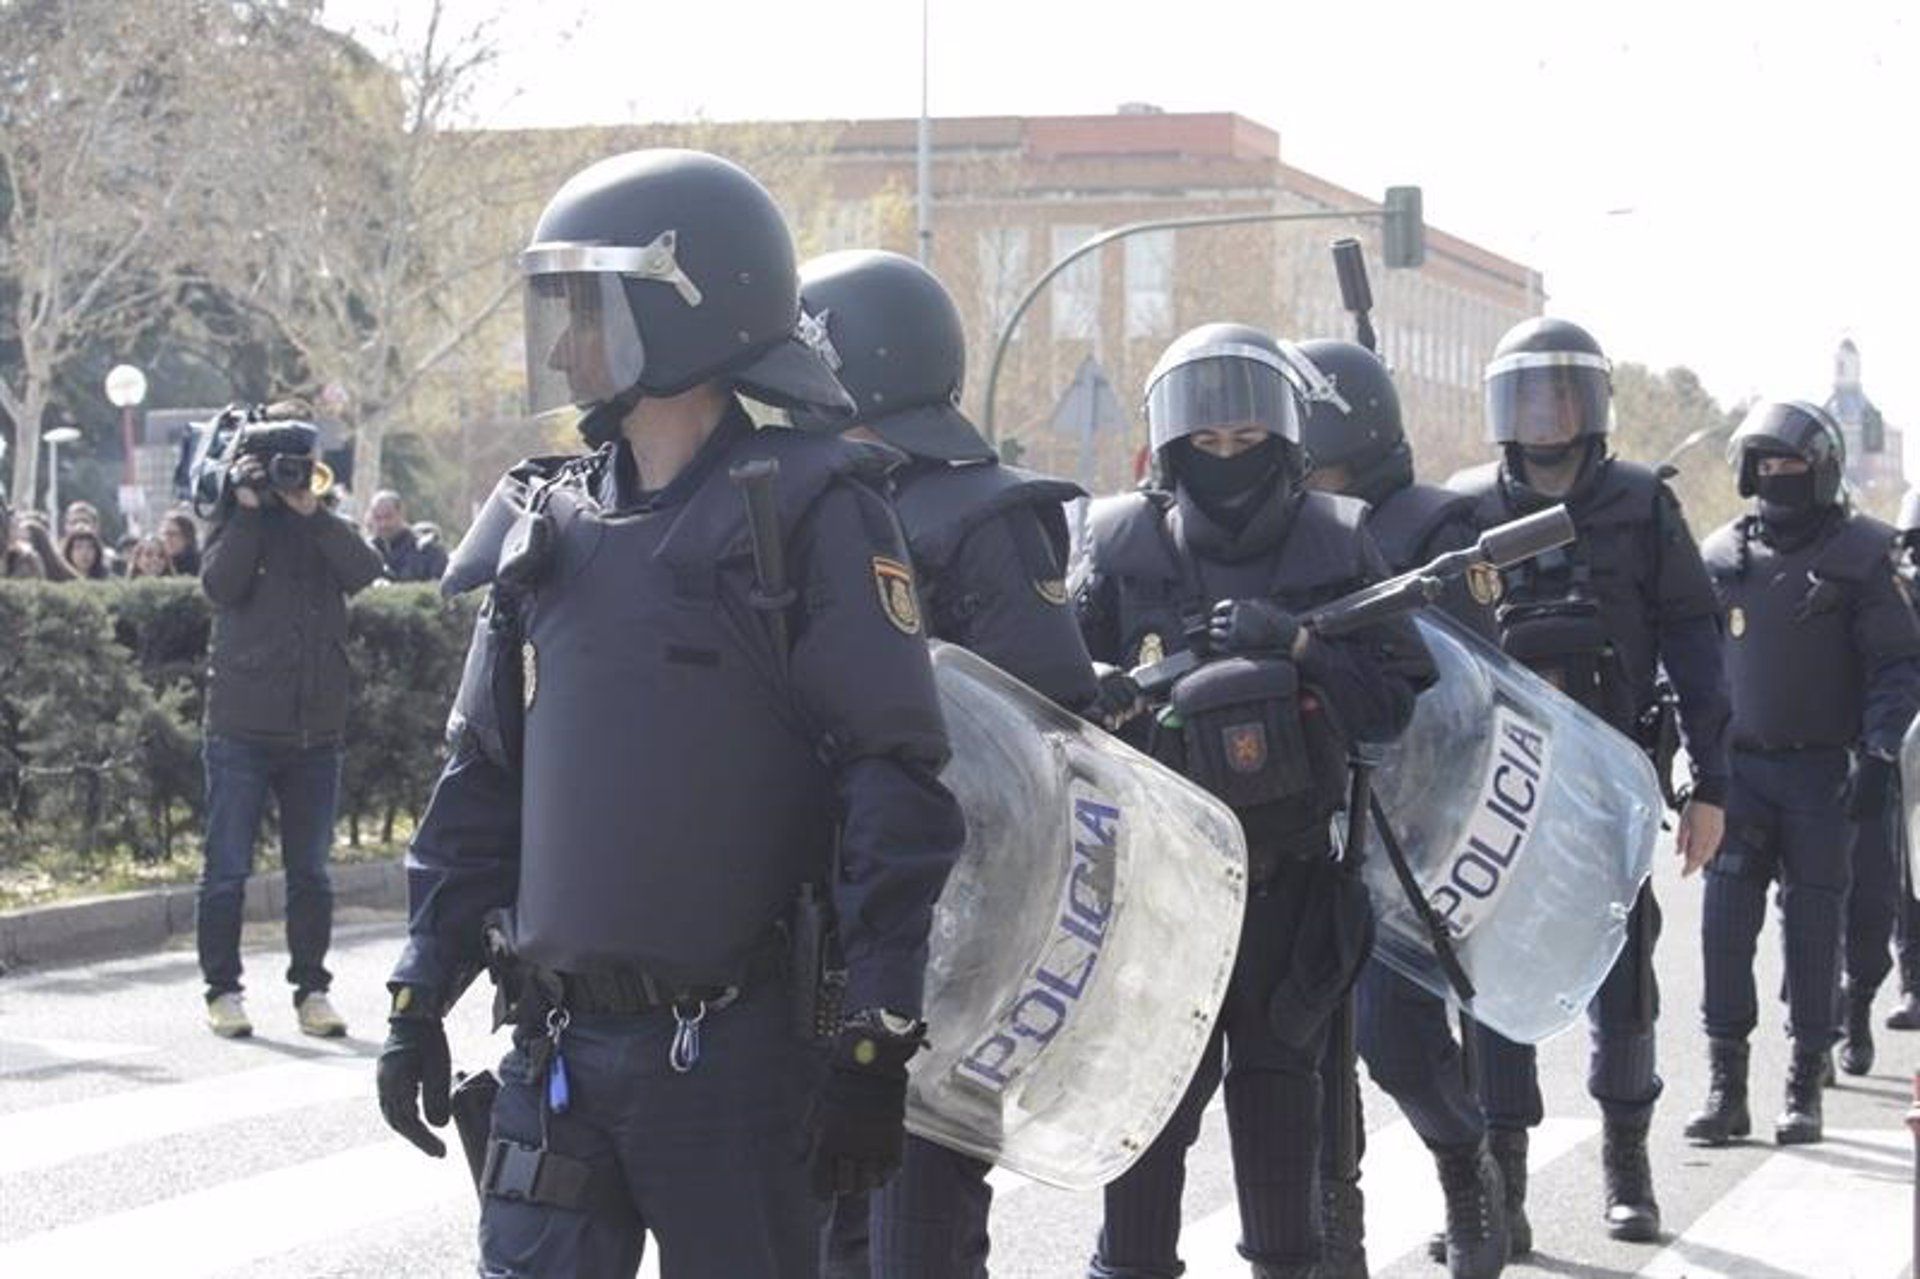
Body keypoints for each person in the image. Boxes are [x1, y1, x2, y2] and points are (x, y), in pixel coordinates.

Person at [375, 149, 966, 1279]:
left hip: (732, 1066)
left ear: (683, 306)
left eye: (585, 307)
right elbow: (480, 781)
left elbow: (894, 783)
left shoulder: (813, 512)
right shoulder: (543, 523)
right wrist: (420, 986)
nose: (560, 343)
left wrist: (874, 1034)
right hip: (553, 1050)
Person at [1071, 322, 1433, 1279]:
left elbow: (1398, 703)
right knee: (1146, 1126)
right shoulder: (1112, 542)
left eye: (1245, 441)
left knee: (1281, 1132)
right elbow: (1050, 701)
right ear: (1172, 447)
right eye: (1206, 442)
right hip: (1155, 897)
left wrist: (1305, 650)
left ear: (1283, 443)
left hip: (1289, 885)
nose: (1224, 460)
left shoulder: (1341, 540)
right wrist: (1105, 686)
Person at [797, 250, 1108, 1279]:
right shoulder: (814, 495)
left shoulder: (985, 510)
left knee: (918, 1214)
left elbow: (1041, 712)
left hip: (949, 919)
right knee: (827, 1207)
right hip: (827, 909)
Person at [1447, 316, 1728, 1244]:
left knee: (1621, 975)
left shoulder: (1644, 504)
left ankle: (1628, 1163)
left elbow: (1693, 641)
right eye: (1527, 395)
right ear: (1501, 408)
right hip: (1496, 794)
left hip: (1610, 792)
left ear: (1592, 403)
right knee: (1489, 979)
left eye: (1562, 393)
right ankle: (1505, 1188)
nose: (1545, 413)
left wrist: (1707, 783)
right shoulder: (1464, 508)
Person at [1296, 338, 1507, 1279]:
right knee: (1301, 1053)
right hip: (1295, 818)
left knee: (1395, 1038)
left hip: (1407, 828)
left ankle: (1468, 1171)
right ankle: (1332, 1227)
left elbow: (1459, 682)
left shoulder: (1437, 528)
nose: (1306, 476)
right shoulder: (1278, 528)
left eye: (1322, 460)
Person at [1686, 402, 1920, 1145]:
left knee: (1816, 928)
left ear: (1821, 469)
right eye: (1765, 467)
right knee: (1724, 931)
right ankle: (1726, 1088)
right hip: (1738, 774)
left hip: (1826, 774)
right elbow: (1688, 665)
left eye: (1790, 465)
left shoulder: (1864, 554)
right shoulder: (1722, 554)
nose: (1776, 479)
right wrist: (1687, 759)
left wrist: (1880, 754)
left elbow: (1897, 665)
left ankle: (1803, 1083)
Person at [196, 407, 384, 1039]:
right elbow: (220, 588)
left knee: (311, 873)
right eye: (281, 467)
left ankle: (312, 991)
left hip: (315, 731)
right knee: (226, 870)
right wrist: (248, 509)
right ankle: (223, 990)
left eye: (300, 466)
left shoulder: (321, 521)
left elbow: (364, 571)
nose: (290, 478)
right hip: (241, 730)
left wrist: (316, 513)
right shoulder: (234, 518)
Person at [365, 489, 449, 583]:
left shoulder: (428, 551)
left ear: (401, 514)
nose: (383, 524)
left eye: (388, 517)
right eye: (378, 518)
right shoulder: (366, 552)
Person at [162, 509, 203, 576]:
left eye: (172, 534)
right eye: (164, 534)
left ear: (187, 536)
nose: (167, 539)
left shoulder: (199, 563)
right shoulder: (162, 564)